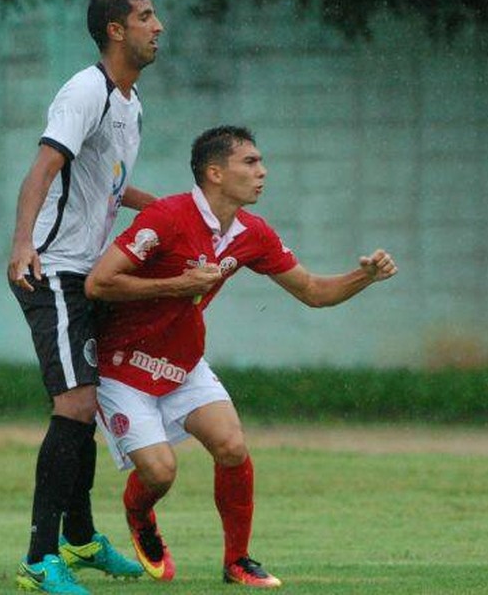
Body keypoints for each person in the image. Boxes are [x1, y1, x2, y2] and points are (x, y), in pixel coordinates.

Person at [84, 125, 398, 589]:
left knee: (232, 447)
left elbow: (312, 291)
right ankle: (140, 513)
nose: (262, 172)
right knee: (160, 472)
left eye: (260, 162)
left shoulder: (252, 233)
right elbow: (98, 283)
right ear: (215, 172)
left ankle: (238, 561)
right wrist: (180, 285)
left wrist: (363, 277)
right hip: (123, 367)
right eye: (250, 162)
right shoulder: (166, 217)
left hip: (183, 363)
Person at [7, 0, 164, 595]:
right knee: (73, 405)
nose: (159, 26)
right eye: (146, 17)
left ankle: (79, 541)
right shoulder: (87, 91)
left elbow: (108, 188)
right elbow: (42, 169)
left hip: (86, 272)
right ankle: (40, 558)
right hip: (54, 269)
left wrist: (173, 209)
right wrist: (23, 245)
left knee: (86, 402)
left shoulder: (131, 103)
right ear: (116, 30)